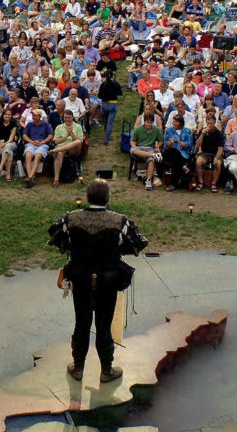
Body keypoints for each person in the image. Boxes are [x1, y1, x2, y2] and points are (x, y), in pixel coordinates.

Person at [47, 179, 147, 384]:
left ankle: (78, 368)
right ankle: (106, 371)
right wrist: (115, 250)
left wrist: (72, 249)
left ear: (87, 197)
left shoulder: (71, 218)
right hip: (108, 280)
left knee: (81, 323)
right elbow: (138, 243)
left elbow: (55, 235)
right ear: (108, 199)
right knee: (104, 325)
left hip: (80, 278)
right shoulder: (120, 221)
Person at [50, 109, 85, 187]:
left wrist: (72, 135)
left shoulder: (78, 127)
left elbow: (80, 141)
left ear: (72, 117)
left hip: (73, 148)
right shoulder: (59, 127)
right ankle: (56, 179)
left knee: (78, 142)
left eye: (69, 117)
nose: (67, 119)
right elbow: (56, 141)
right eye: (65, 118)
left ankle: (55, 150)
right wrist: (66, 136)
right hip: (61, 146)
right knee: (60, 152)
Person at [130, 112, 163, 191]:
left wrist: (158, 146)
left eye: (151, 122)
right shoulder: (138, 129)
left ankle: (148, 181)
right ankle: (152, 155)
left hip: (150, 148)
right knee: (133, 150)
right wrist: (134, 145)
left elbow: (161, 141)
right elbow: (133, 141)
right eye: (147, 122)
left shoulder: (156, 130)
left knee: (151, 161)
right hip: (140, 148)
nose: (149, 124)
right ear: (144, 121)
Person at [22, 108, 54, 188]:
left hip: (42, 144)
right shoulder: (29, 124)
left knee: (37, 157)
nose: (33, 117)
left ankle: (29, 178)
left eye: (35, 116)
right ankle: (31, 177)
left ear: (40, 116)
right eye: (32, 116)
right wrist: (31, 141)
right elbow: (24, 135)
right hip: (31, 143)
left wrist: (42, 142)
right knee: (28, 156)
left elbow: (50, 136)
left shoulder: (45, 125)